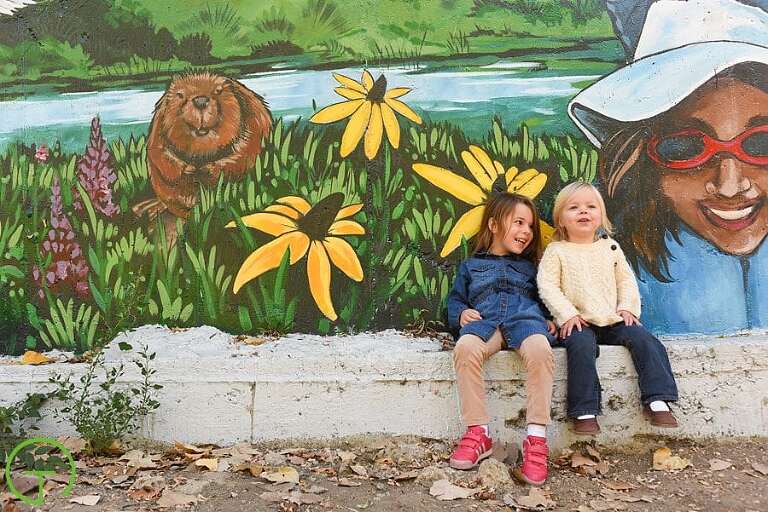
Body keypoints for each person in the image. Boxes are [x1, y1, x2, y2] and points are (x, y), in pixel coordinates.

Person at [568, 0, 768, 335]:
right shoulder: (604, 253)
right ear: (641, 159)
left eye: (760, 144)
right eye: (685, 148)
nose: (730, 185)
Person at [537, 182, 679, 435]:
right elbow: (547, 285)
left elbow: (626, 280)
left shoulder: (610, 247)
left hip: (612, 319)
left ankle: (658, 399)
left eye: (591, 207)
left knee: (644, 339)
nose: (583, 212)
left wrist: (627, 308)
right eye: (574, 208)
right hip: (579, 321)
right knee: (581, 348)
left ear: (601, 216)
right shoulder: (556, 251)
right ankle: (584, 411)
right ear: (560, 219)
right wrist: (567, 314)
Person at [447, 192, 557, 486]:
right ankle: (478, 433)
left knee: (541, 350)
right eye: (519, 222)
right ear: (494, 225)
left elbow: (545, 297)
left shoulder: (532, 268)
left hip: (524, 322)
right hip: (487, 325)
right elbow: (456, 300)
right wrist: (460, 315)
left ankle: (536, 440)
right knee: (465, 347)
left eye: (530, 226)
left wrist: (549, 317)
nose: (526, 231)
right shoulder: (471, 266)